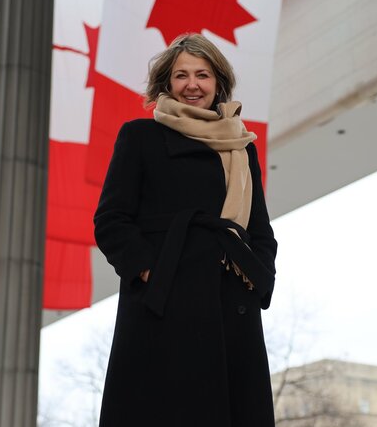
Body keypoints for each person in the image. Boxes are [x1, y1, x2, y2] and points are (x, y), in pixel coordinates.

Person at [94, 33, 278, 427]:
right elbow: (111, 220)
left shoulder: (241, 147)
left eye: (202, 75)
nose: (192, 84)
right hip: (162, 303)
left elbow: (260, 229)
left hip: (230, 301)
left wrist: (257, 277)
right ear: (167, 84)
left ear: (218, 83)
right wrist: (151, 271)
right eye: (181, 75)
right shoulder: (139, 136)